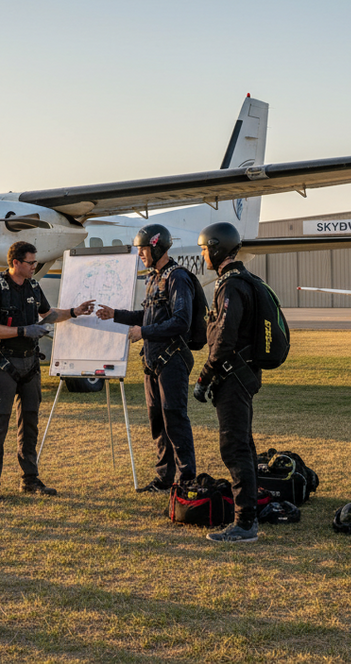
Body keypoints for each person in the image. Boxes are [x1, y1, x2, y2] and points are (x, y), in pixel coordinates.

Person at [0, 241, 95, 503]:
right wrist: (23, 331)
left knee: (30, 423)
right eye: (31, 263)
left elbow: (48, 314)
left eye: (35, 262)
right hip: (4, 364)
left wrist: (75, 312)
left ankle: (29, 479)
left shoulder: (33, 286)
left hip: (30, 364)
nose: (35, 266)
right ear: (16, 263)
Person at [96, 224, 206, 495]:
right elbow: (148, 315)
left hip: (173, 360)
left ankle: (186, 478)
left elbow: (181, 322)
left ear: (156, 247)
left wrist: (142, 332)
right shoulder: (153, 278)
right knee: (157, 420)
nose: (140, 254)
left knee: (174, 419)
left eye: (143, 249)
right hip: (152, 362)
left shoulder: (177, 278)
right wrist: (116, 314)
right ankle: (164, 479)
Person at [191, 221, 261, 544]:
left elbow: (223, 339)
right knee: (244, 444)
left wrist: (204, 377)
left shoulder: (230, 286)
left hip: (233, 377)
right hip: (241, 375)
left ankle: (245, 523)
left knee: (234, 447)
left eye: (205, 248)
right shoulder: (241, 280)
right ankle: (251, 511)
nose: (203, 254)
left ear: (217, 248)